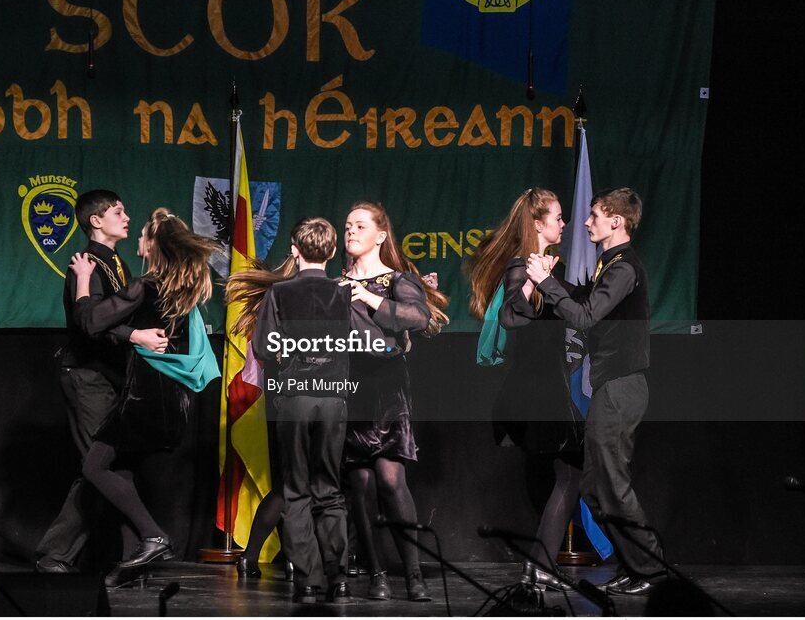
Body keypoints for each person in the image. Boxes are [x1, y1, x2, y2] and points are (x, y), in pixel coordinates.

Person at [525, 188, 666, 596]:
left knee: (613, 482)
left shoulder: (623, 268)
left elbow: (585, 316)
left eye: (594, 215)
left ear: (616, 221)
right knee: (592, 486)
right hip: (610, 385)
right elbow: (582, 297)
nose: (585, 223)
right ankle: (632, 563)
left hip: (622, 385)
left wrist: (546, 284)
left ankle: (651, 568)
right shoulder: (609, 265)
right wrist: (549, 279)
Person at [70, 208, 219, 586]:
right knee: (120, 471)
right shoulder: (183, 291)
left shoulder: (146, 285)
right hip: (174, 400)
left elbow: (90, 322)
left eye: (143, 236)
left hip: (144, 398)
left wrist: (84, 281)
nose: (137, 240)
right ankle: (130, 568)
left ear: (152, 245)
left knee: (95, 468)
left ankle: (154, 536)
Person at [35, 190, 167, 574]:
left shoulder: (119, 265)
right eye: (118, 212)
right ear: (96, 220)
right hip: (87, 376)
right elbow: (90, 325)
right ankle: (59, 556)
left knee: (109, 467)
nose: (127, 217)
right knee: (101, 466)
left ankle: (131, 557)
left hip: (110, 378)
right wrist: (135, 337)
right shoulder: (87, 263)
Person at [232, 217, 353, 604]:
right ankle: (339, 577)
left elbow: (265, 348)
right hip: (334, 397)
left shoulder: (279, 294)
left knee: (296, 489)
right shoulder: (344, 293)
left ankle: (308, 580)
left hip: (296, 396)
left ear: (295, 251)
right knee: (330, 489)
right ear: (333, 252)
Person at [468, 188, 584, 590]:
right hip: (540, 390)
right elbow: (512, 316)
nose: (564, 223)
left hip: (538, 385)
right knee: (571, 474)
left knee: (554, 477)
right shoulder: (524, 265)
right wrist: (536, 282)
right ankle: (540, 568)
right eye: (558, 216)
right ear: (538, 223)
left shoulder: (540, 264)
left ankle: (539, 566)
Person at [338, 201, 449, 602]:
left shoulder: (396, 279)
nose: (350, 231)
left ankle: (414, 574)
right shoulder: (335, 283)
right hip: (348, 389)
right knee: (360, 483)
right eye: (348, 225)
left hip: (386, 389)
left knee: (389, 477)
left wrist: (365, 296)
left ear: (381, 235)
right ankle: (377, 573)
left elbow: (417, 319)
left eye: (360, 225)